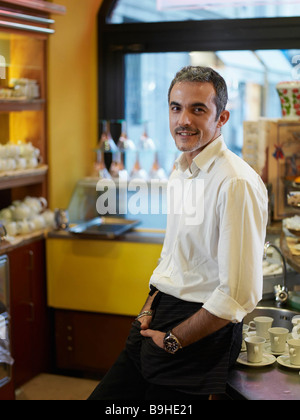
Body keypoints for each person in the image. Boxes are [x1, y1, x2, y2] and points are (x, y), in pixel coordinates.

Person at [88, 66, 268, 400]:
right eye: (176, 107)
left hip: (197, 328)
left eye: (198, 109)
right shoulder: (182, 168)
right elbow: (175, 258)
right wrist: (147, 309)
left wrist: (174, 339)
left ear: (222, 117)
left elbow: (238, 295)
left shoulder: (235, 182)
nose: (183, 119)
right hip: (158, 311)